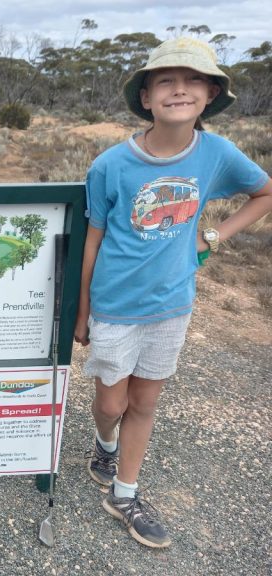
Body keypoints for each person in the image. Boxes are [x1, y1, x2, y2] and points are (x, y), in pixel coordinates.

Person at [73, 37, 272, 549]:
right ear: (146, 97)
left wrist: (215, 236)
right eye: (165, 80)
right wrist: (83, 312)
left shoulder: (216, 154)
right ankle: (103, 444)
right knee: (112, 404)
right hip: (115, 305)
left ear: (209, 95)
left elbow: (264, 191)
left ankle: (125, 492)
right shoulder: (110, 165)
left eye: (192, 81)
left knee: (145, 400)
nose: (179, 89)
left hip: (172, 304)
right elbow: (93, 239)